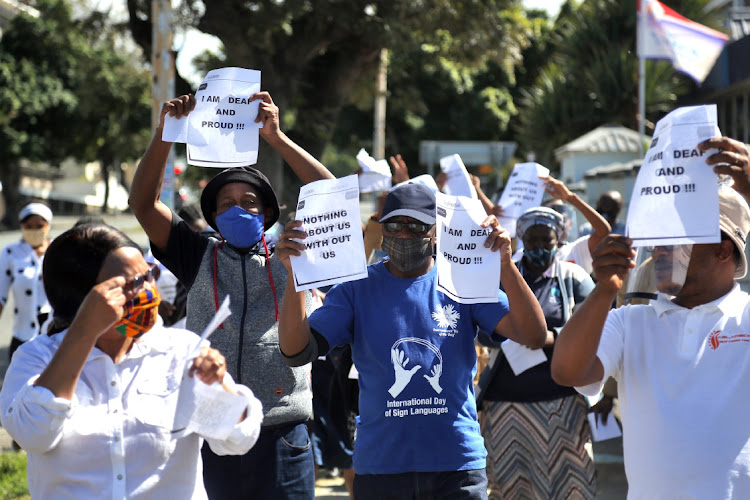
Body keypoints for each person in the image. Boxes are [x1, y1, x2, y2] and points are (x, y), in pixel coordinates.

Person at [275, 182, 547, 499]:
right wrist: (295, 277)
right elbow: (296, 352)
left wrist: (505, 266)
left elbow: (533, 336)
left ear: (435, 232)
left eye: (416, 226)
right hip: (381, 468)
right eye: (395, 225)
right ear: (382, 230)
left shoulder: (461, 279)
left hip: (456, 466)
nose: (404, 234)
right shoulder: (355, 288)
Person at [128, 92, 335, 499]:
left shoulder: (297, 252)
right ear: (214, 217)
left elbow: (332, 192)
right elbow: (143, 203)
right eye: (226, 204)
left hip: (282, 434)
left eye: (249, 202)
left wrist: (275, 138)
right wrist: (166, 134)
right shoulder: (198, 254)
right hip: (211, 431)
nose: (238, 208)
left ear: (268, 214)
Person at [0, 223, 263, 499]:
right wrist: (84, 331)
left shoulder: (181, 351)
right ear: (84, 298)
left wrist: (220, 387)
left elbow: (238, 440)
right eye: (131, 285)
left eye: (149, 276)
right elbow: (32, 435)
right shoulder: (37, 358)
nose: (148, 292)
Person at [551, 137, 750, 498]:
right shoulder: (632, 322)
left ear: (723, 250)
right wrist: (604, 289)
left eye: (677, 238)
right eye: (659, 235)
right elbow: (567, 371)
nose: (659, 248)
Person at [476, 207, 596, 499]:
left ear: (559, 239)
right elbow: (479, 328)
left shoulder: (572, 277)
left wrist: (548, 339)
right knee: (511, 487)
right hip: (506, 404)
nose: (540, 247)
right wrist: (510, 334)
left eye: (547, 240)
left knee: (569, 485)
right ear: (521, 240)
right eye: (532, 240)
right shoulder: (501, 273)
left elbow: (594, 329)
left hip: (561, 402)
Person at [0, 202, 54, 360]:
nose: (34, 230)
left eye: (39, 225)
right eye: (28, 226)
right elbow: (0, 295)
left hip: (52, 337)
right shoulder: (11, 252)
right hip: (22, 335)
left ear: (48, 226)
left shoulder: (57, 251)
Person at [541, 176, 611, 274]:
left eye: (562, 217)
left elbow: (603, 231)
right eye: (550, 217)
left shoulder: (577, 250)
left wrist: (570, 198)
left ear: (570, 224)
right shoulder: (528, 254)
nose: (556, 222)